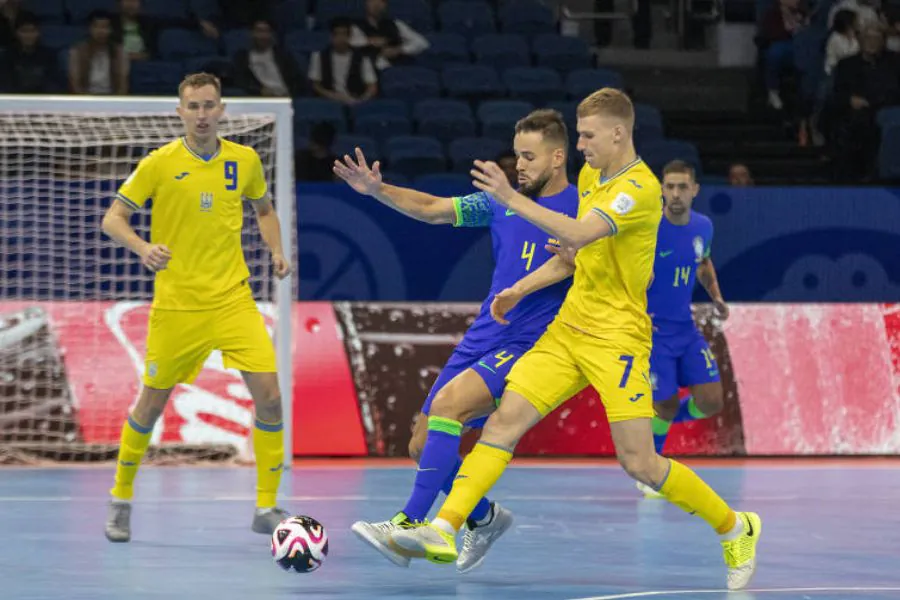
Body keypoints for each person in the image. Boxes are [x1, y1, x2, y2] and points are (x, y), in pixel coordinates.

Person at [391, 88, 762, 591]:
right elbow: (571, 255)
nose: (581, 144)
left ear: (617, 132)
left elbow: (582, 232)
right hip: (568, 330)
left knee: (641, 463)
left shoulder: (639, 190)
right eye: (578, 133)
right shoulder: (591, 175)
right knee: (502, 425)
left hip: (618, 340)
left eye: (587, 135)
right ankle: (443, 527)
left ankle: (735, 527)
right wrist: (518, 289)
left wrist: (508, 197)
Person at [334, 109, 579, 573]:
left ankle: (409, 521)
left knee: (449, 404)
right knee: (421, 445)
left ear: (558, 156)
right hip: (483, 336)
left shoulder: (582, 211)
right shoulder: (502, 201)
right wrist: (376, 190)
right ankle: (484, 518)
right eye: (517, 155)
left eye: (529, 157)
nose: (519, 165)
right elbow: (432, 209)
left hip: (532, 343)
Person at [100, 72, 292, 543]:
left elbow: (264, 210)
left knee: (269, 395)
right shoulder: (160, 163)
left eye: (210, 105)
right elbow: (113, 218)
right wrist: (142, 248)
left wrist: (276, 250)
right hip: (178, 306)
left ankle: (265, 506)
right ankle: (121, 497)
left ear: (222, 109)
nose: (203, 114)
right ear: (180, 111)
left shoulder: (243, 160)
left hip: (233, 299)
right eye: (194, 106)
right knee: (151, 404)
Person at [629, 160, 728, 497]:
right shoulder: (647, 228)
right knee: (666, 404)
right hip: (652, 332)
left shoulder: (704, 226)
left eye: (682, 187)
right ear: (661, 189)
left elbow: (703, 262)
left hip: (685, 330)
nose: (674, 193)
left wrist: (716, 296)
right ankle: (650, 467)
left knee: (712, 401)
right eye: (668, 186)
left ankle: (654, 427)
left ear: (694, 190)